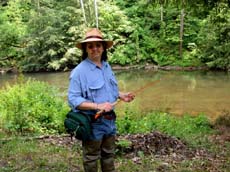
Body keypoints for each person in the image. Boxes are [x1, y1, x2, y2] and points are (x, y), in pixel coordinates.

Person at [68, 28, 135, 172]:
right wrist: (98, 106)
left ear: (104, 48)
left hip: (110, 121)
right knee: (91, 157)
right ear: (85, 49)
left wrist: (121, 95)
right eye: (90, 46)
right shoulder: (79, 72)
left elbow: (109, 90)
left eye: (98, 45)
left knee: (109, 155)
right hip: (93, 123)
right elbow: (73, 100)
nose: (95, 49)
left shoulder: (106, 66)